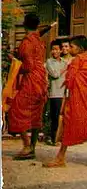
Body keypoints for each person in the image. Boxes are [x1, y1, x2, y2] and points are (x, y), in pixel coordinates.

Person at [43, 35, 87, 168]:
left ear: (80, 48)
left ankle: (60, 158)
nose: (69, 49)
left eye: (72, 46)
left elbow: (70, 80)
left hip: (78, 99)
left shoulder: (78, 60)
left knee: (68, 123)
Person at [8, 13, 48, 160]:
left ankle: (26, 146)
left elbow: (28, 66)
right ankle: (32, 147)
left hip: (31, 80)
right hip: (41, 79)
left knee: (15, 110)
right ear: (37, 25)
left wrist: (14, 61)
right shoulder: (39, 41)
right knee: (35, 114)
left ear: (24, 25)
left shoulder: (26, 42)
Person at [45, 39, 69, 145]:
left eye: (56, 49)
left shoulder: (64, 62)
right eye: (53, 49)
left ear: (60, 50)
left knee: (63, 117)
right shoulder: (49, 62)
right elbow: (55, 74)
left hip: (64, 93)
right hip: (54, 93)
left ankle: (62, 137)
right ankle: (54, 138)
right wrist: (64, 69)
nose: (54, 51)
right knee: (55, 117)